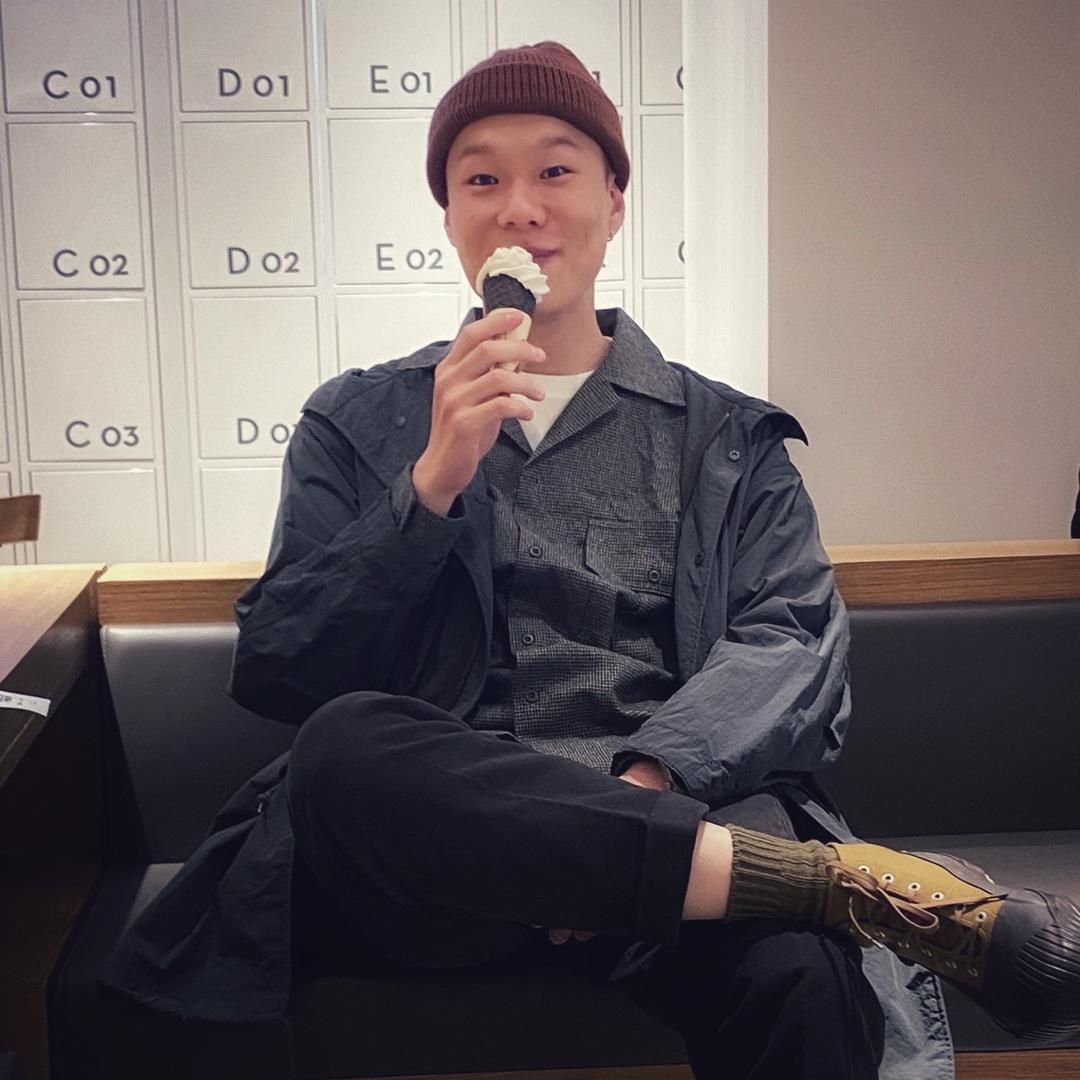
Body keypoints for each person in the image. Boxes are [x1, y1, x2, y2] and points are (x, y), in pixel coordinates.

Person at [102, 41, 1080, 1080]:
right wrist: (429, 484)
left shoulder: (721, 435)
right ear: (449, 218)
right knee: (343, 748)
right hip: (438, 859)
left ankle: (777, 894)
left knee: (800, 971)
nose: (519, 207)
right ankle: (832, 882)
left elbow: (790, 642)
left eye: (556, 171)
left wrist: (646, 790)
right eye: (482, 180)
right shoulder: (356, 420)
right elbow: (282, 666)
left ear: (614, 203)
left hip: (683, 820)